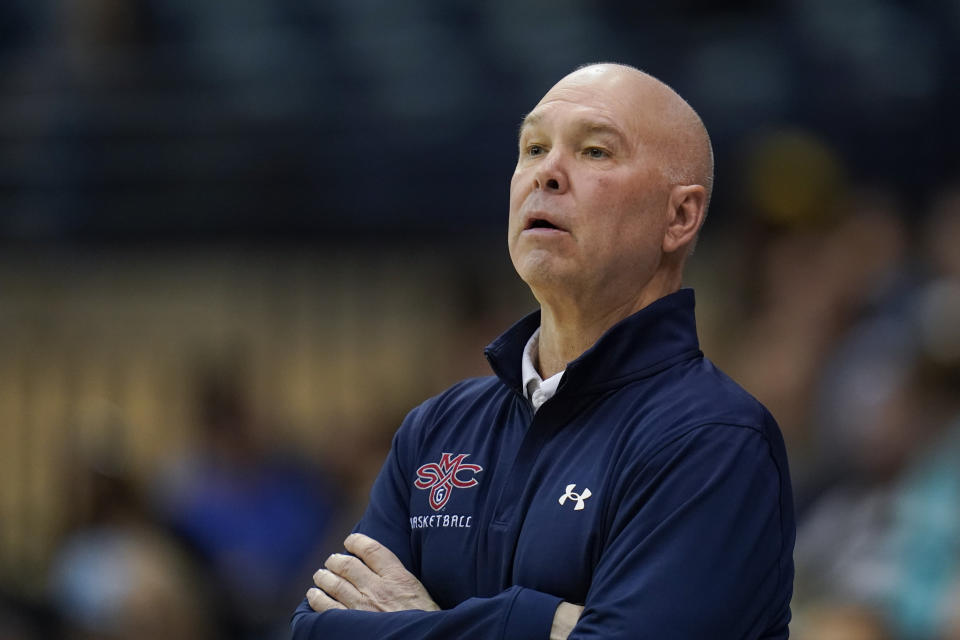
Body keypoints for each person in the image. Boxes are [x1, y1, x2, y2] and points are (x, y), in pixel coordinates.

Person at [291, 62, 795, 639]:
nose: (547, 173)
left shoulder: (714, 440)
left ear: (678, 217)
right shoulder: (436, 428)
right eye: (533, 148)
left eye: (595, 152)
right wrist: (537, 623)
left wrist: (422, 625)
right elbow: (316, 629)